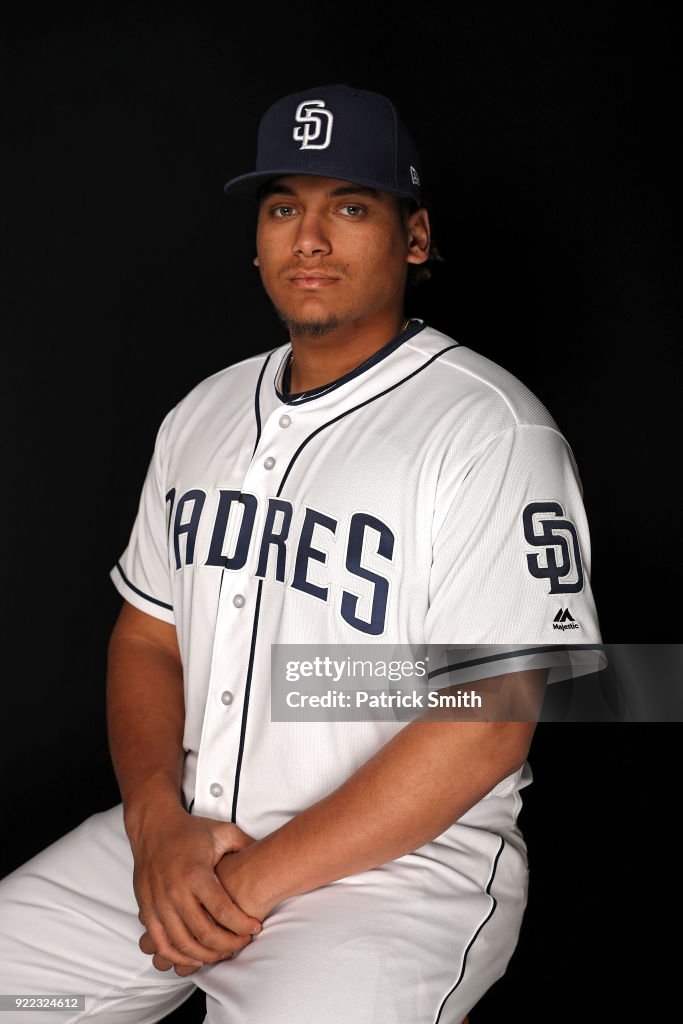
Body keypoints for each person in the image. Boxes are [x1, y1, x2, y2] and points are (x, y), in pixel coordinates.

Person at [0, 83, 604, 1023]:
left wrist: (246, 888)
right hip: (184, 836)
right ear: (257, 238)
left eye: (349, 207)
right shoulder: (201, 412)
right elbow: (148, 638)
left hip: (393, 878)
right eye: (285, 207)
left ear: (414, 238)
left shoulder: (489, 430)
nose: (308, 238)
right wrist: (154, 827)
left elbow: (491, 715)